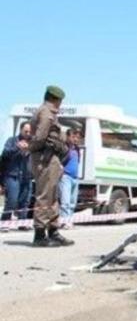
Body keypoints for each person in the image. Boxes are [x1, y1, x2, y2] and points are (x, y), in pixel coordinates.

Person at [29, 85, 73, 247]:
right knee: (44, 196)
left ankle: (53, 231)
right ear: (55, 99)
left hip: (52, 158)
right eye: (60, 101)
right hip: (44, 158)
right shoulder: (46, 112)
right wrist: (32, 149)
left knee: (53, 196)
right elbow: (40, 137)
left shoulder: (49, 113)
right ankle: (40, 234)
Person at [1, 122, 34, 229]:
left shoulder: (33, 143)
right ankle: (4, 222)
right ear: (20, 130)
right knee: (12, 200)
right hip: (13, 176)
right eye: (26, 131)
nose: (28, 134)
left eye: (30, 132)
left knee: (25, 202)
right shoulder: (12, 141)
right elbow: (5, 154)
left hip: (27, 176)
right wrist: (17, 147)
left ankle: (22, 224)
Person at [59, 128, 82, 229]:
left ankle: (70, 220)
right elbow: (58, 160)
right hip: (66, 177)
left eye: (77, 137)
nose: (76, 139)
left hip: (75, 178)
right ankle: (64, 221)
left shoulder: (77, 149)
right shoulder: (64, 148)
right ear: (68, 137)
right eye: (73, 137)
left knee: (73, 202)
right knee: (65, 202)